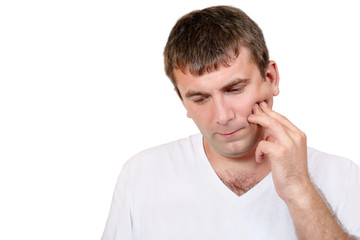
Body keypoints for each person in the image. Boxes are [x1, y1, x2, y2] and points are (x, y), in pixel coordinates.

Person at [102, 5, 360, 239]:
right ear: (182, 101)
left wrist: (299, 188)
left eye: (234, 89)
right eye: (200, 98)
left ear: (270, 78)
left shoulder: (342, 176)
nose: (223, 116)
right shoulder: (142, 174)